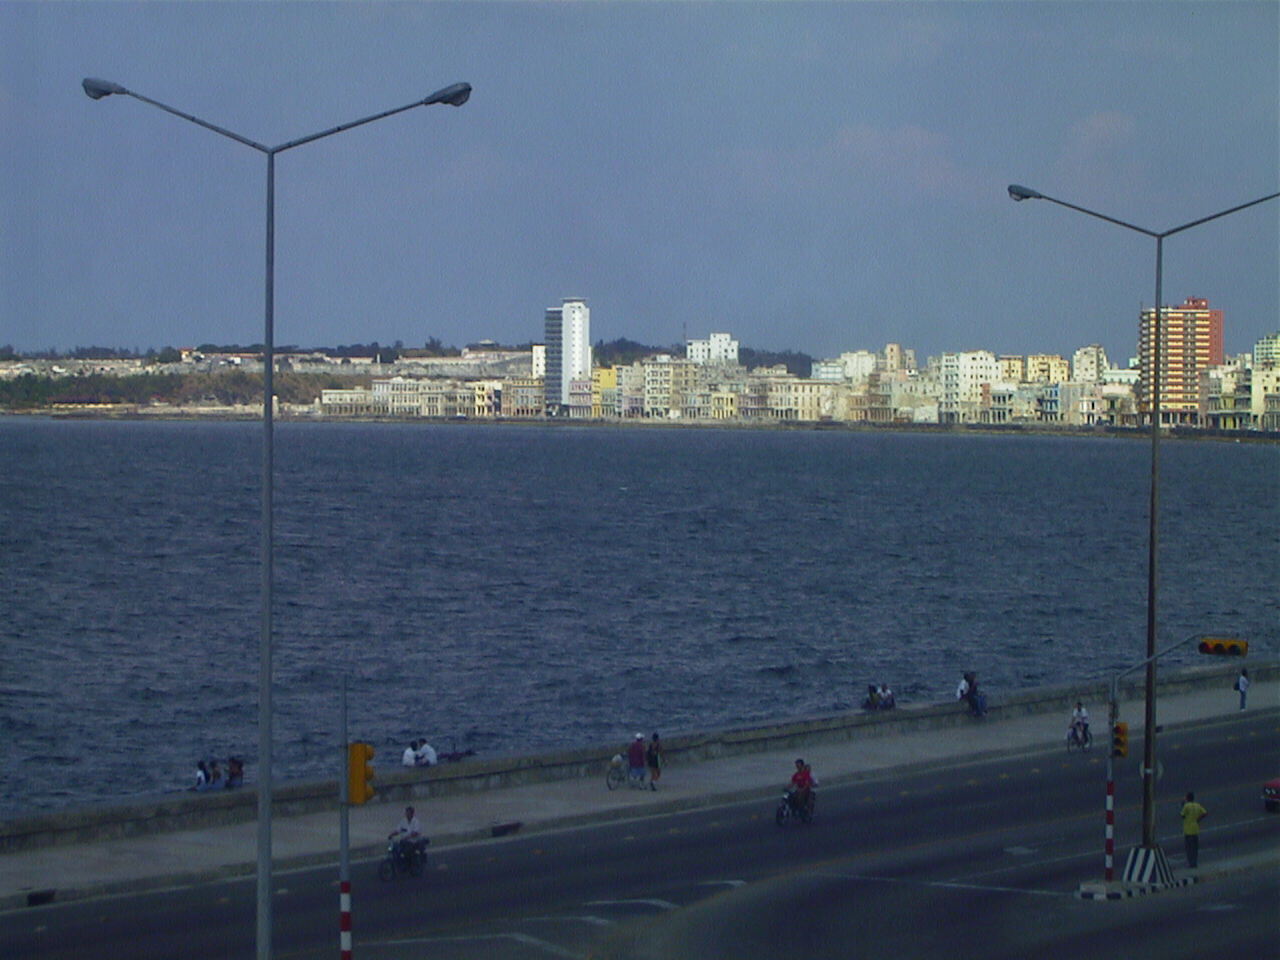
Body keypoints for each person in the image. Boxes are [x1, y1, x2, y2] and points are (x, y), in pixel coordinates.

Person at [1179, 791, 1207, 868]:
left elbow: (1182, 815)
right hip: (1195, 829)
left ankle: (1191, 864)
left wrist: (1182, 804)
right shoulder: (1197, 805)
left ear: (1187, 798)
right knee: (1195, 848)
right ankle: (1195, 862)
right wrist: (1198, 819)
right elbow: (1205, 813)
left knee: (1189, 849)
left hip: (1188, 831)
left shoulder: (1186, 806)